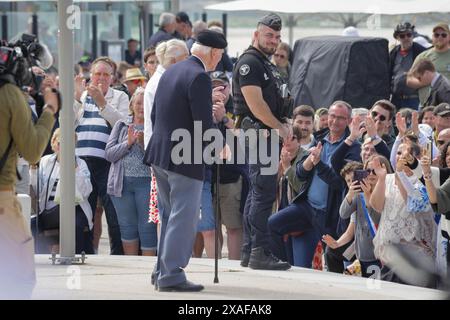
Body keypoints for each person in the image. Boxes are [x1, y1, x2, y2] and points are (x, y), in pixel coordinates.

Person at [144, 30, 227, 292]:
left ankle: (162, 271)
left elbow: (156, 115)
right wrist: (220, 145)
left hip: (161, 154)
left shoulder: (171, 71)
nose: (220, 60)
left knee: (170, 216)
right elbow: (202, 124)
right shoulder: (200, 76)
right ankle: (171, 275)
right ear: (213, 53)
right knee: (184, 217)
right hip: (184, 157)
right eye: (220, 55)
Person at [268, 101, 360, 269]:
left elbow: (339, 182)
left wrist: (318, 164)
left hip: (330, 215)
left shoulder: (353, 147)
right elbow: (301, 173)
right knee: (273, 224)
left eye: (341, 118)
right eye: (332, 116)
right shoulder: (319, 138)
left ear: (348, 120)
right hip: (307, 206)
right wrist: (309, 162)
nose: (334, 121)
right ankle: (280, 266)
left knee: (333, 261)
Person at [233, 13, 292, 270]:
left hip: (265, 134)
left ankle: (250, 250)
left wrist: (285, 120)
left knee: (258, 193)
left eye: (277, 37)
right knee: (263, 194)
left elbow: (280, 99)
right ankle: (260, 251)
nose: (274, 40)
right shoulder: (250, 63)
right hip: (260, 134)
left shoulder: (265, 64)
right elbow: (255, 106)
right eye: (269, 35)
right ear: (256, 35)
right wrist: (279, 126)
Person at [0, 68, 59, 298]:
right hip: (3, 199)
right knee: (20, 277)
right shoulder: (8, 94)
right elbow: (33, 151)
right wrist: (50, 108)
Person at [74, 56, 129, 255]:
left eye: (106, 74)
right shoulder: (81, 96)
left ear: (112, 78)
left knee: (113, 212)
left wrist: (102, 103)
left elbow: (122, 125)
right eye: (98, 73)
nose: (101, 78)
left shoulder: (119, 96)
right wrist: (74, 99)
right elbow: (69, 124)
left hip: (107, 163)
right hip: (81, 163)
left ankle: (118, 255)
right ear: (91, 76)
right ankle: (85, 252)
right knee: (84, 211)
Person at [105, 88, 157, 256]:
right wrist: (127, 143)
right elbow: (109, 154)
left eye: (144, 103)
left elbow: (158, 158)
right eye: (138, 103)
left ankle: (148, 270)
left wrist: (142, 143)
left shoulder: (154, 125)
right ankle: (131, 271)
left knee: (148, 229)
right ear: (131, 105)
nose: (141, 107)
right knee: (127, 229)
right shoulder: (121, 125)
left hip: (147, 184)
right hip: (122, 185)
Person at [32, 129, 94, 255]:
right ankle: (38, 261)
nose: (63, 147)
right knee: (32, 225)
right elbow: (37, 189)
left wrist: (75, 168)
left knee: (75, 225)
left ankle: (75, 258)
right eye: (60, 143)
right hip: (50, 209)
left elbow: (85, 192)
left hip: (74, 209)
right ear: (53, 143)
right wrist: (33, 169)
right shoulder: (46, 161)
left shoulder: (81, 163)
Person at [143, 39, 189, 149]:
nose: (188, 61)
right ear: (174, 60)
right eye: (186, 57)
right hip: (163, 148)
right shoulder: (161, 81)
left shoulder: (165, 78)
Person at [407, 23, 450, 107]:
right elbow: (409, 79)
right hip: (425, 106)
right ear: (432, 37)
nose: (440, 37)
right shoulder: (423, 56)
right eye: (436, 35)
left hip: (447, 106)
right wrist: (427, 82)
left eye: (443, 35)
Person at [389, 22, 426, 110]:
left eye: (409, 35)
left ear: (413, 35)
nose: (406, 38)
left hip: (414, 99)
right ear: (397, 37)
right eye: (402, 36)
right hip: (395, 99)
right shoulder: (393, 53)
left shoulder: (421, 52)